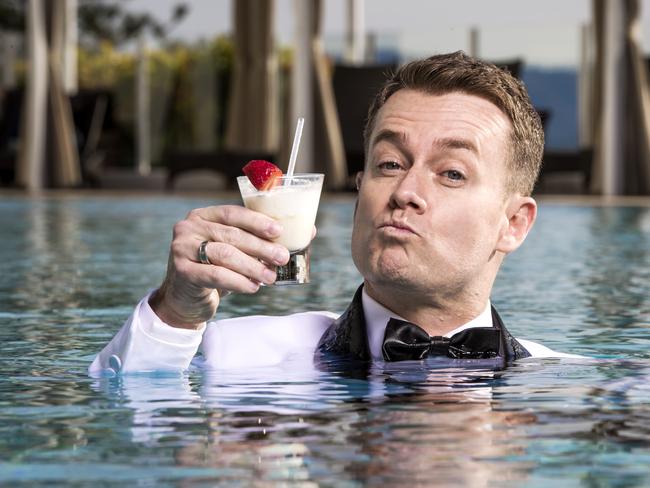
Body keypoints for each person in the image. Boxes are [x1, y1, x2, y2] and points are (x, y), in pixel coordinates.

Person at [89, 51, 579, 376]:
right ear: (360, 187)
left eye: (451, 173)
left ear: (513, 224)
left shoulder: (559, 383)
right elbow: (121, 417)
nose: (405, 191)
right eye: (389, 164)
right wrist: (174, 312)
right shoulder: (232, 354)